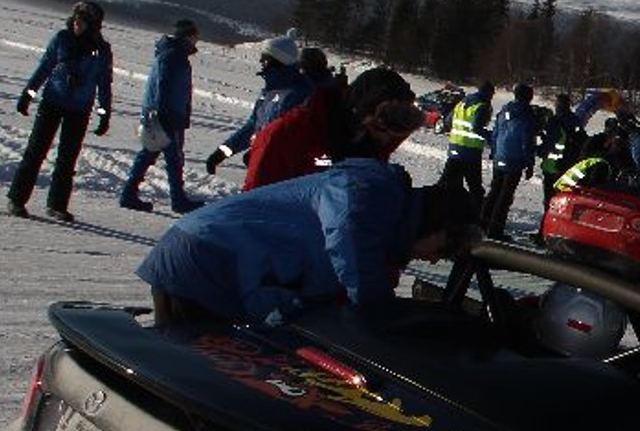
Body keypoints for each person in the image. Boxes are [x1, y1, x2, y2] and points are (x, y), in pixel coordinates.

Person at [138, 155, 476, 328]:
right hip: (205, 259)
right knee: (189, 380)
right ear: (436, 223)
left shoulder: (380, 230)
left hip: (215, 262)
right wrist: (382, 316)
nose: (436, 259)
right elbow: (349, 247)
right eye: (445, 248)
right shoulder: (370, 194)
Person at [7, 0, 114, 222]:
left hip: (79, 110)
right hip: (52, 103)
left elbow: (104, 84)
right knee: (36, 151)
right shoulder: (62, 39)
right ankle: (16, 200)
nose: (76, 23)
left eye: (82, 21)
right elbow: (44, 67)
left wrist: (104, 115)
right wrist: (28, 95)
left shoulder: (102, 51)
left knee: (67, 159)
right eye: (75, 19)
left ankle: (57, 205)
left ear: (93, 24)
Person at [244, 67, 422, 191]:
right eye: (381, 127)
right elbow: (250, 208)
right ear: (361, 113)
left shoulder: (369, 144)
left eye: (393, 131)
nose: (386, 139)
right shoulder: (287, 135)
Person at [119, 19, 203, 214]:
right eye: (194, 35)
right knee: (173, 159)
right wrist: (164, 113)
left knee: (150, 153)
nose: (197, 39)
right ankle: (177, 200)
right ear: (187, 36)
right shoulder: (174, 56)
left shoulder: (171, 54)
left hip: (162, 113)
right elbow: (164, 86)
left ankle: (129, 193)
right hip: (166, 114)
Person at [204, 35, 314, 176]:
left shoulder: (298, 94)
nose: (261, 61)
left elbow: (290, 138)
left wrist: (259, 152)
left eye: (265, 58)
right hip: (263, 164)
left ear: (278, 61)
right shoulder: (268, 92)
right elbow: (252, 126)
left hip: (285, 171)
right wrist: (222, 153)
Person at [482, 83, 539, 238]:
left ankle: (482, 223)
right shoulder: (527, 114)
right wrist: (530, 163)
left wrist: (494, 152)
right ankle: (495, 230)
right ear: (529, 97)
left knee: (494, 191)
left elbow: (495, 133)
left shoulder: (504, 110)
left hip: (500, 155)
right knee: (505, 196)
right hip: (514, 159)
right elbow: (527, 141)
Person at [439, 82, 494, 203]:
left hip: (454, 147)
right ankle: (478, 210)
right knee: (474, 185)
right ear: (489, 93)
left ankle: (439, 204)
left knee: (447, 181)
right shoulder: (482, 106)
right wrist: (491, 139)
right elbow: (476, 127)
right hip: (470, 150)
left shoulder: (462, 103)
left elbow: (448, 122)